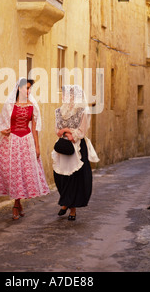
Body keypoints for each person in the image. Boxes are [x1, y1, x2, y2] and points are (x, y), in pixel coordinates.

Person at [0, 78, 50, 220]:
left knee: (23, 173)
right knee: (14, 172)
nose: (28, 91)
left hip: (26, 141)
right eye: (26, 88)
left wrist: (37, 146)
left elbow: (35, 128)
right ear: (19, 88)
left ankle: (16, 204)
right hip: (11, 142)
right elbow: (2, 124)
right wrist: (3, 131)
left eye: (30, 88)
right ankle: (17, 203)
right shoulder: (9, 105)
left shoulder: (33, 105)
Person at [52, 85, 99, 221]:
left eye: (66, 94)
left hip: (77, 147)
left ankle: (72, 209)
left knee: (74, 178)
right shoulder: (59, 111)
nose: (63, 97)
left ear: (74, 96)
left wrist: (67, 132)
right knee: (60, 176)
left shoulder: (83, 111)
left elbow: (81, 132)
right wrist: (67, 130)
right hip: (63, 146)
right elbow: (57, 130)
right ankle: (65, 201)